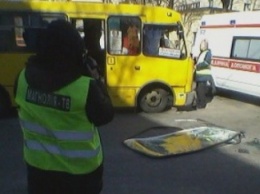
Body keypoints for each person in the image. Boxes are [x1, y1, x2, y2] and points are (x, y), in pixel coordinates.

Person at [14, 20, 114, 194]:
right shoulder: (86, 87)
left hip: (39, 172)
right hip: (81, 177)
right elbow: (106, 115)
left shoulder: (21, 79)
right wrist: (97, 78)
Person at [194, 39, 214, 109]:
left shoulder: (207, 53)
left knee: (201, 91)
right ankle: (199, 103)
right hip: (199, 76)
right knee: (198, 90)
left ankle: (202, 104)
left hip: (203, 76)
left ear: (205, 46)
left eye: (201, 45)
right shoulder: (202, 53)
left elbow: (206, 63)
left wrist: (197, 66)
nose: (200, 46)